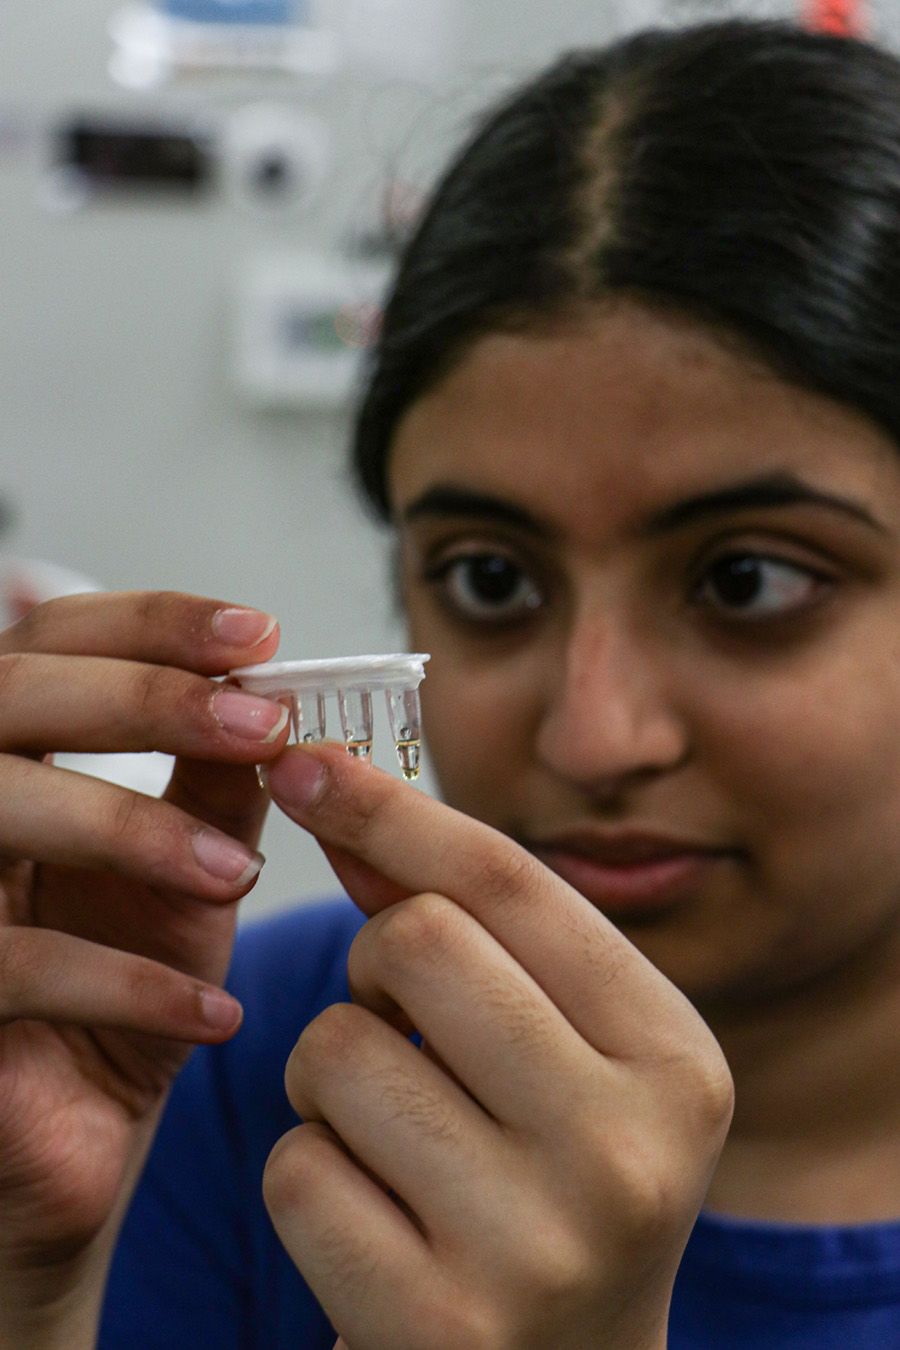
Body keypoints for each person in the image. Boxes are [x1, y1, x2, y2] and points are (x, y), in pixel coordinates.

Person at [1, 16, 899, 1347]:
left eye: (748, 582)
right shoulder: (218, 1052)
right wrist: (32, 1294)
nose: (594, 736)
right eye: (490, 578)